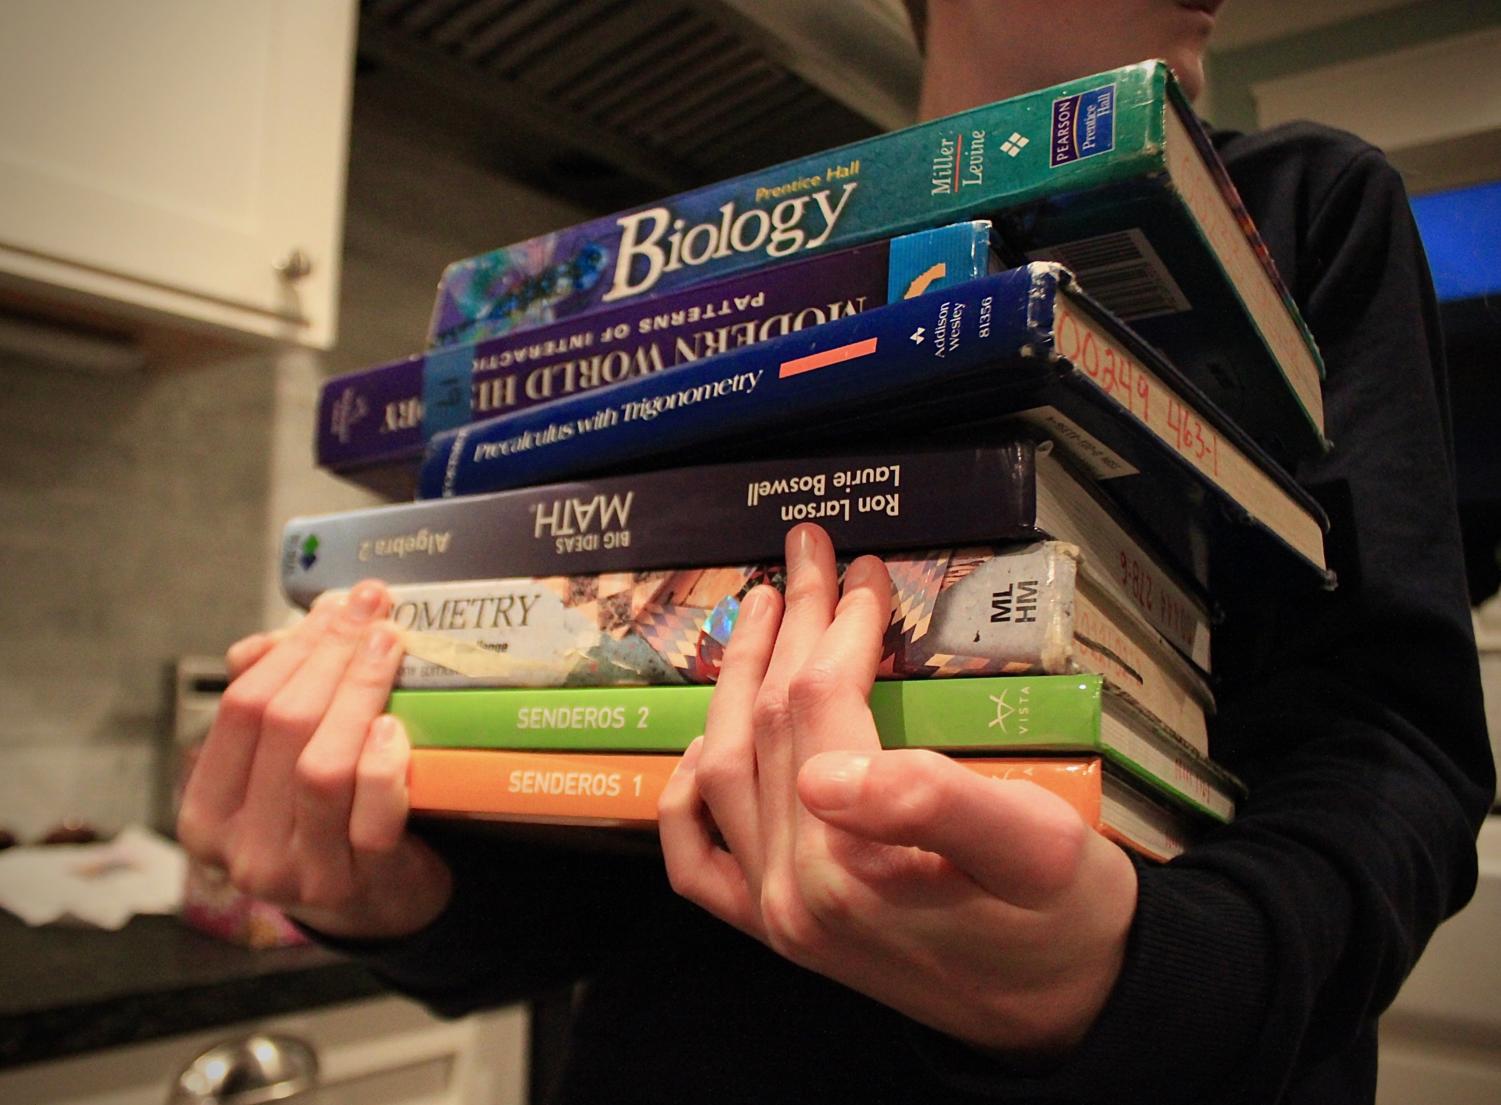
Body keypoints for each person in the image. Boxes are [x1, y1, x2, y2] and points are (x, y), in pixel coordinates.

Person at [177, 2, 1495, 1101]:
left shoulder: (1293, 210)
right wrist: (394, 885)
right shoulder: (686, 297)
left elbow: (1397, 749)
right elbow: (626, 838)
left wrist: (1138, 968)